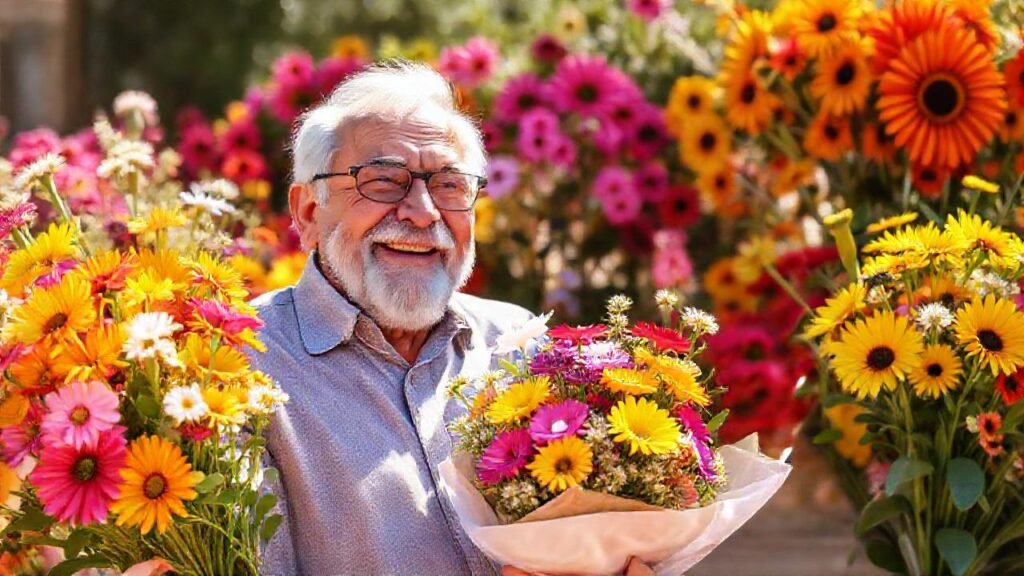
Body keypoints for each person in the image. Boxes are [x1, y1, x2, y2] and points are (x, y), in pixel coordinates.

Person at [249, 60, 651, 576]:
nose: (422, 212)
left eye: (450, 185)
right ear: (308, 211)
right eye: (383, 181)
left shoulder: (520, 345)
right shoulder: (240, 370)